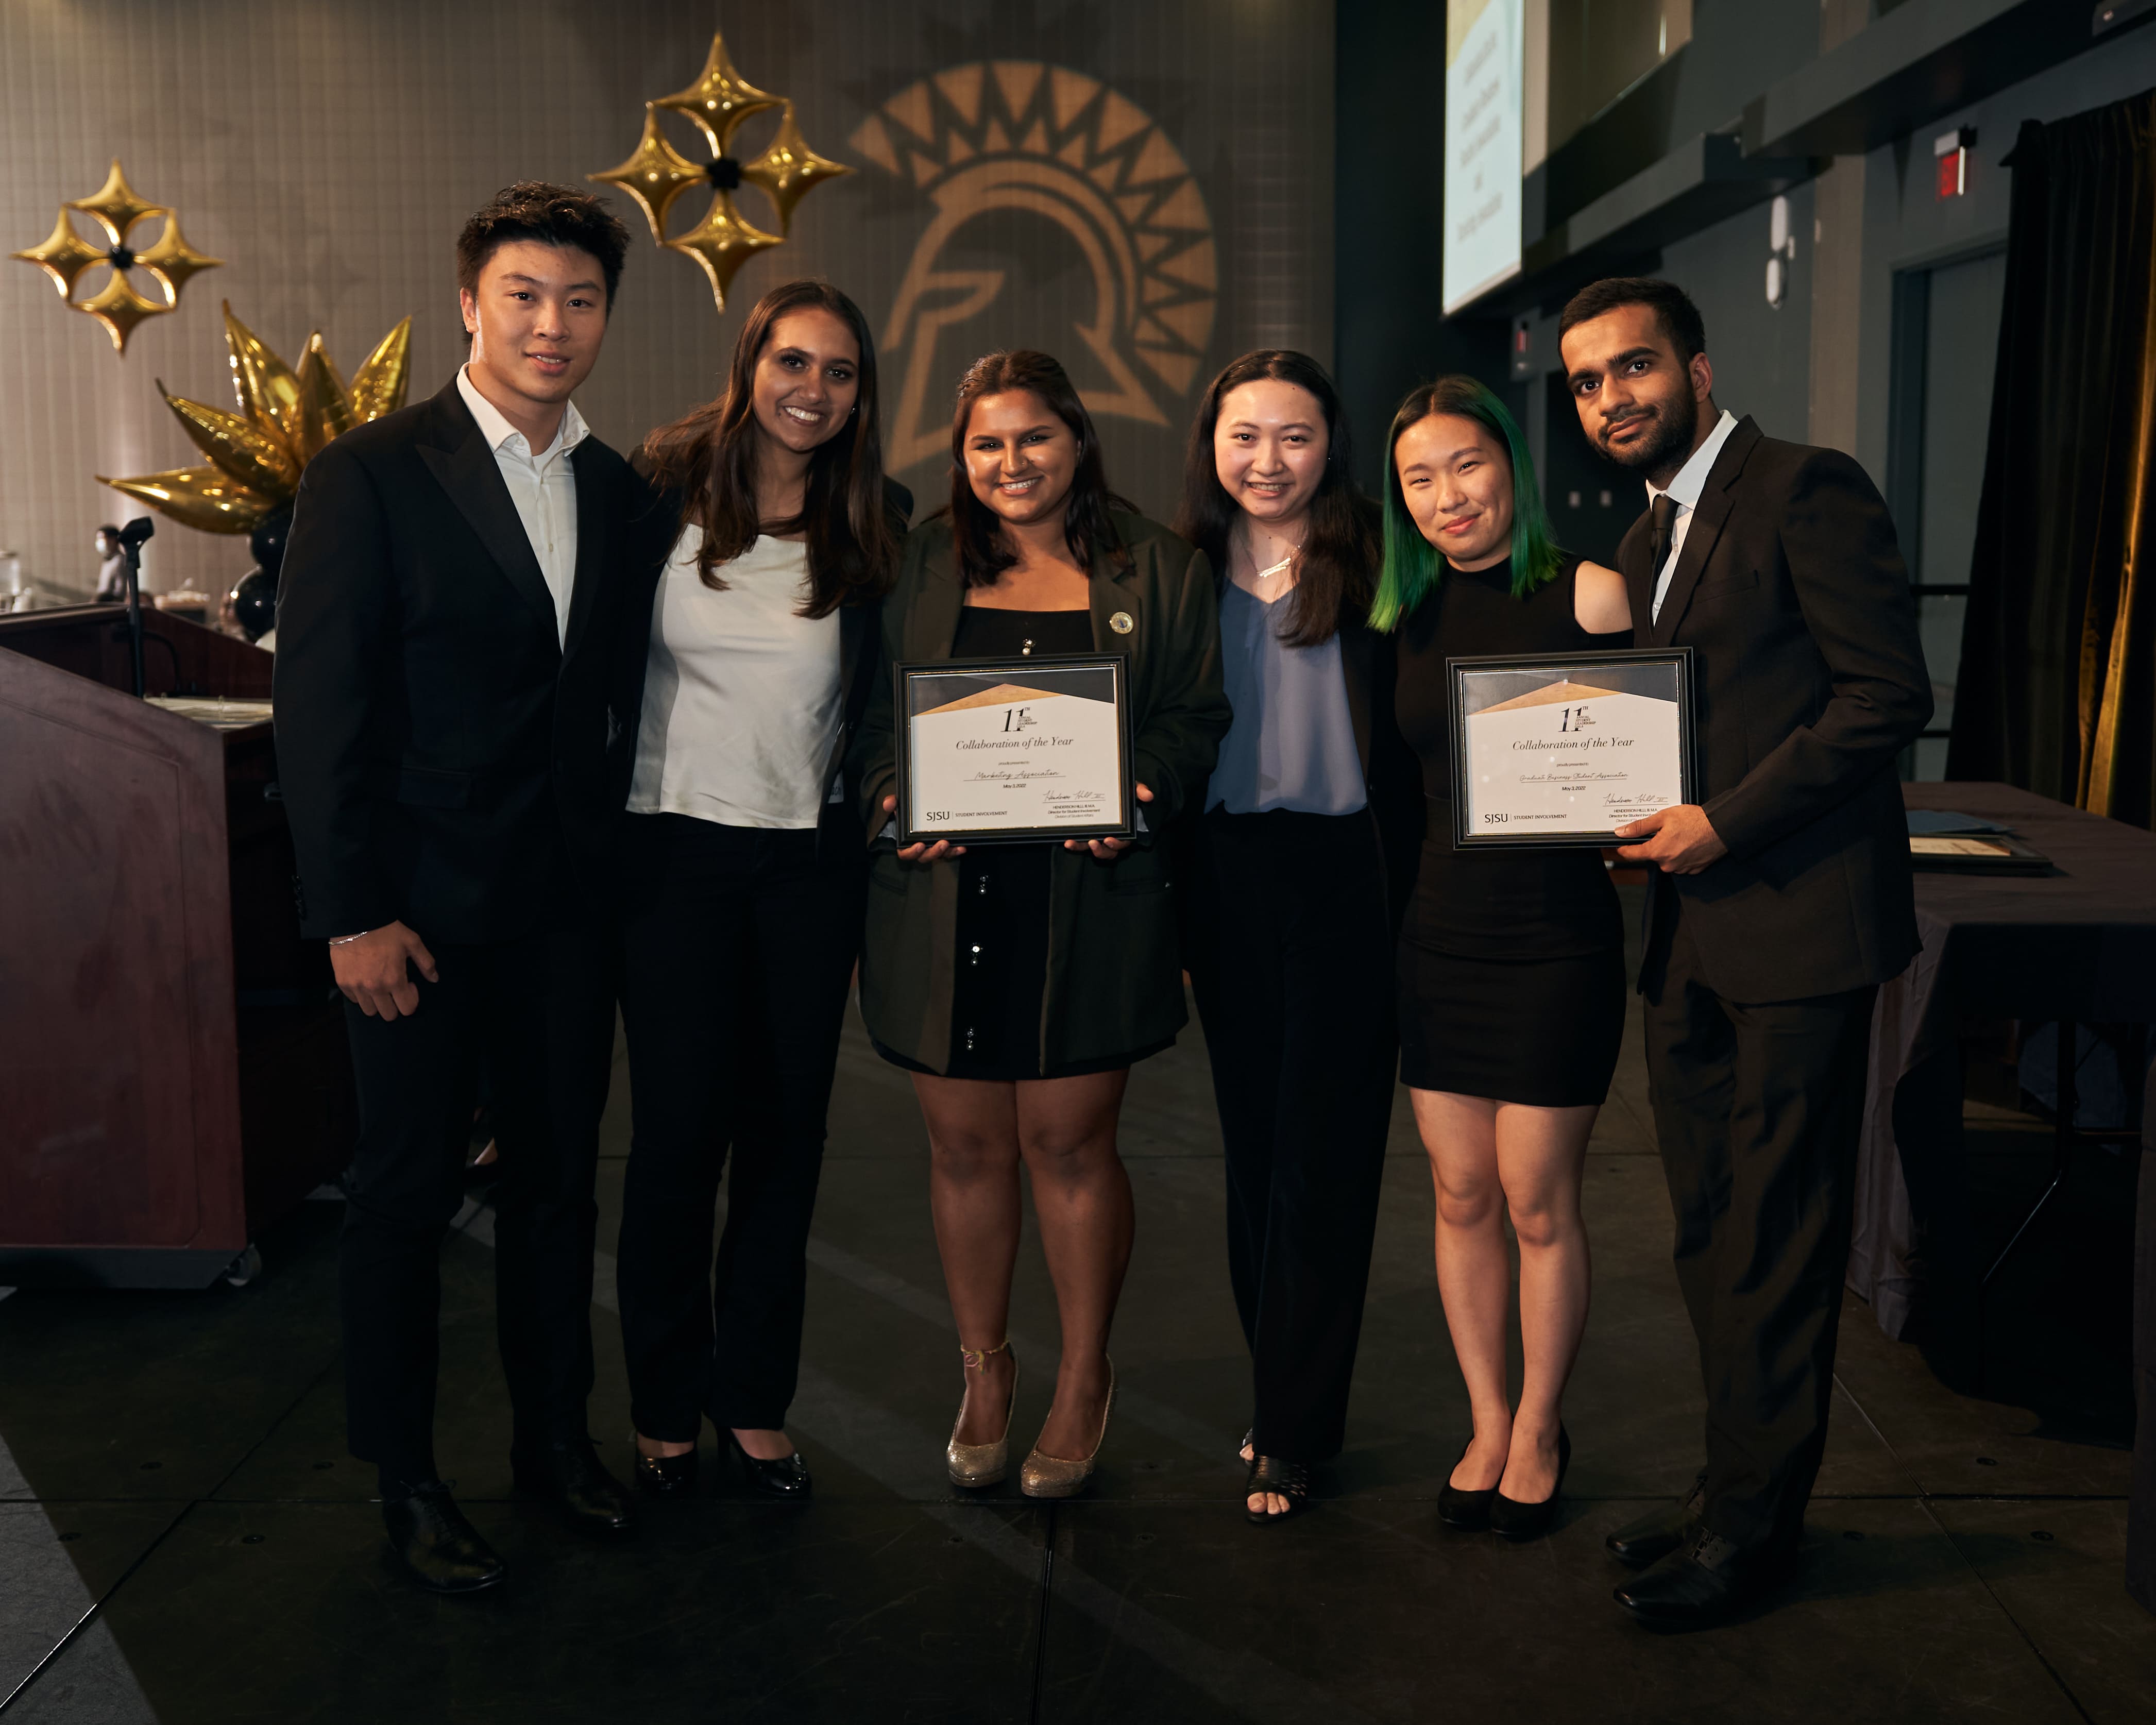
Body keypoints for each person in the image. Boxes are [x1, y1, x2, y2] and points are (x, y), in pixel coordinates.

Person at [273, 183, 642, 1594]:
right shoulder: (368, 472)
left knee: (557, 1196)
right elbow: (321, 717)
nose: (553, 325)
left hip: (561, 916)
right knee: (403, 1197)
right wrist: (348, 914)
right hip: (410, 920)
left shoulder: (615, 489)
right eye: (526, 296)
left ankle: (554, 1446)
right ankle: (408, 1480)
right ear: (472, 303)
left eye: (582, 299)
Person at [1557, 276, 1930, 1625]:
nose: (1613, 397)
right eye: (1590, 382)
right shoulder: (1655, 525)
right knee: (1711, 1235)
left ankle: (1754, 1534)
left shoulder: (1802, 487)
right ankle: (1730, 1492)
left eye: (1635, 368)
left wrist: (1724, 819)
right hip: (1684, 937)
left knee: (1775, 1235)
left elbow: (1887, 695)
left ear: (1698, 370)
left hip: (1795, 926)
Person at [852, 349, 1229, 1500]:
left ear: (1077, 442)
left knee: (1067, 1148)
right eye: (985, 444)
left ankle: (1081, 1375)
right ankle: (984, 1367)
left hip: (1088, 898)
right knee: (964, 1148)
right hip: (942, 897)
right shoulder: (915, 565)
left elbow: (1191, 714)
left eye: (1033, 439)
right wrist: (888, 800)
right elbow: (869, 717)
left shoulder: (1155, 566)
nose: (1010, 464)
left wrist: (1139, 796)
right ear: (959, 456)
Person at [612, 280, 907, 1502]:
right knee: (677, 1139)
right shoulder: (654, 486)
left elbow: (885, 695)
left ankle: (753, 1401)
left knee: (785, 1142)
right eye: (792, 362)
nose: (812, 390)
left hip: (804, 864)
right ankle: (663, 1402)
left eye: (838, 372)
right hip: (668, 855)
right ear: (750, 364)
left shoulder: (873, 515)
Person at [1376, 377, 1633, 1543]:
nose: (1446, 497)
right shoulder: (1402, 613)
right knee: (1459, 1191)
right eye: (1419, 479)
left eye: (1465, 466)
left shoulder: (1585, 590)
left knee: (1536, 1201)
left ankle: (1539, 1423)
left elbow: (1645, 758)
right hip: (1439, 934)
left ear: (1510, 469)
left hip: (1556, 937)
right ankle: (1483, 1417)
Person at [1171, 350, 1418, 1524]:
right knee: (1253, 1147)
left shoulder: (1381, 552)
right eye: (1243, 436)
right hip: (1224, 877)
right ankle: (1279, 1392)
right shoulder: (1172, 568)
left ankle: (1297, 1428)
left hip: (1347, 876)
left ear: (1333, 443)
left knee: (1324, 1156)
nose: (1266, 461)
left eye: (1295, 437)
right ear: (1209, 445)